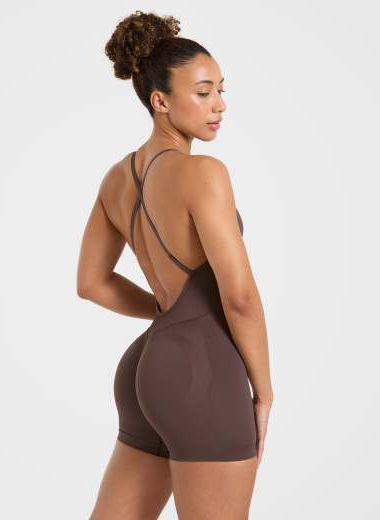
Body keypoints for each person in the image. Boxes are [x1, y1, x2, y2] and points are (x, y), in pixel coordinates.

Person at [77, 10, 274, 520]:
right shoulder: (203, 173)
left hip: (145, 369)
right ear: (159, 101)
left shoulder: (116, 179)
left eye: (221, 91)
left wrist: (167, 315)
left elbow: (91, 283)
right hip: (203, 372)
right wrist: (264, 393)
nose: (220, 106)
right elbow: (239, 298)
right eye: (203, 93)